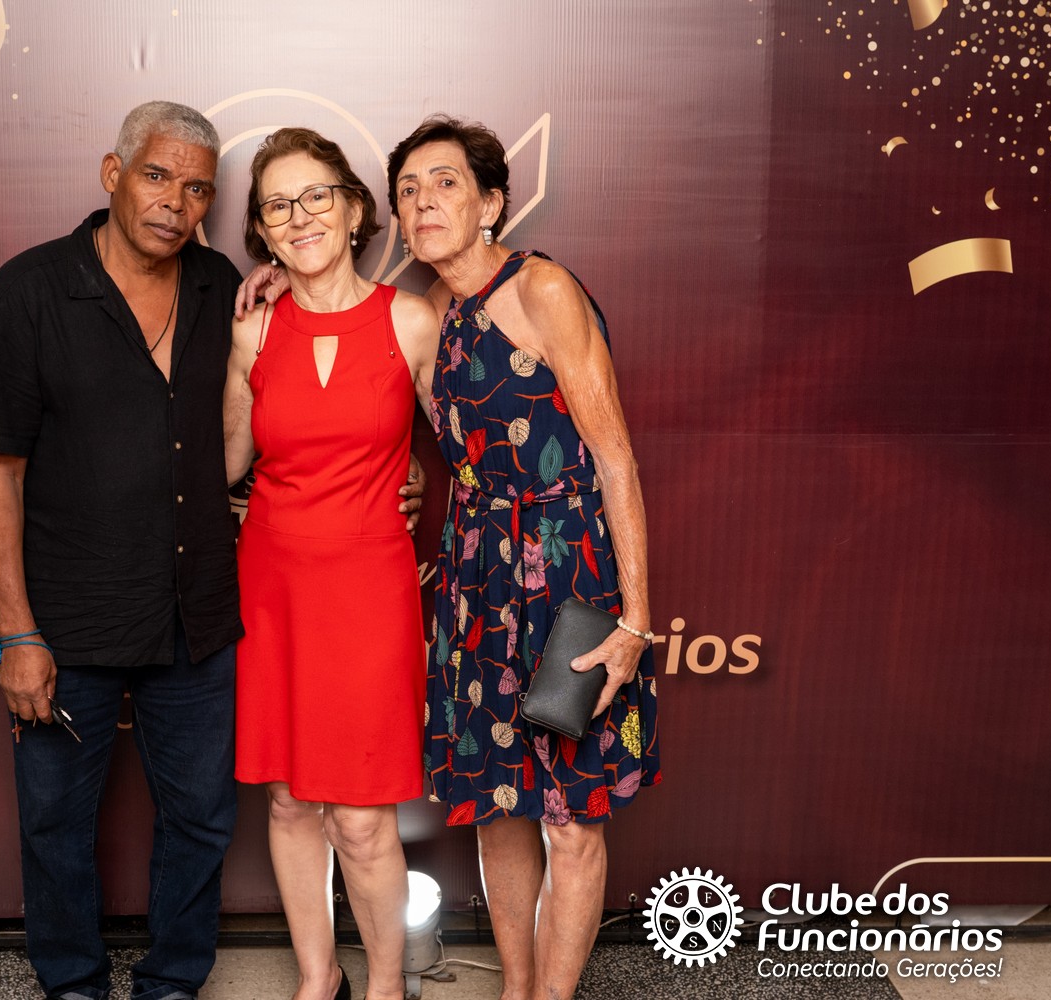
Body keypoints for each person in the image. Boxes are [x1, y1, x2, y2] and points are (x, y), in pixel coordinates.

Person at [0, 101, 242, 1000]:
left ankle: (174, 982)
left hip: (194, 612)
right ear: (113, 174)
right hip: (65, 621)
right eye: (157, 176)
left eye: (197, 189)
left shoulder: (220, 285)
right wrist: (16, 634)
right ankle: (73, 983)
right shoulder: (30, 290)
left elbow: (273, 412)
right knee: (54, 825)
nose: (175, 203)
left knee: (202, 817)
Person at [390, 115, 661, 1000]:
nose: (424, 202)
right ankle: (516, 988)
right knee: (498, 802)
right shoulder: (431, 316)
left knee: (573, 817)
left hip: (570, 567)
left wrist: (634, 622)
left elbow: (614, 457)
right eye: (407, 191)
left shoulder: (541, 289)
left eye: (445, 183)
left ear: (491, 203)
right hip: (476, 573)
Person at [223, 128, 440, 1000]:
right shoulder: (254, 328)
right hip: (272, 587)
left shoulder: (410, 320)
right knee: (286, 800)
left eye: (317, 195)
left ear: (354, 211)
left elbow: (468, 445)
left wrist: (419, 472)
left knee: (360, 816)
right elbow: (226, 462)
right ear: (262, 232)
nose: (299, 216)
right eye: (277, 204)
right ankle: (319, 981)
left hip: (369, 591)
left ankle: (385, 986)